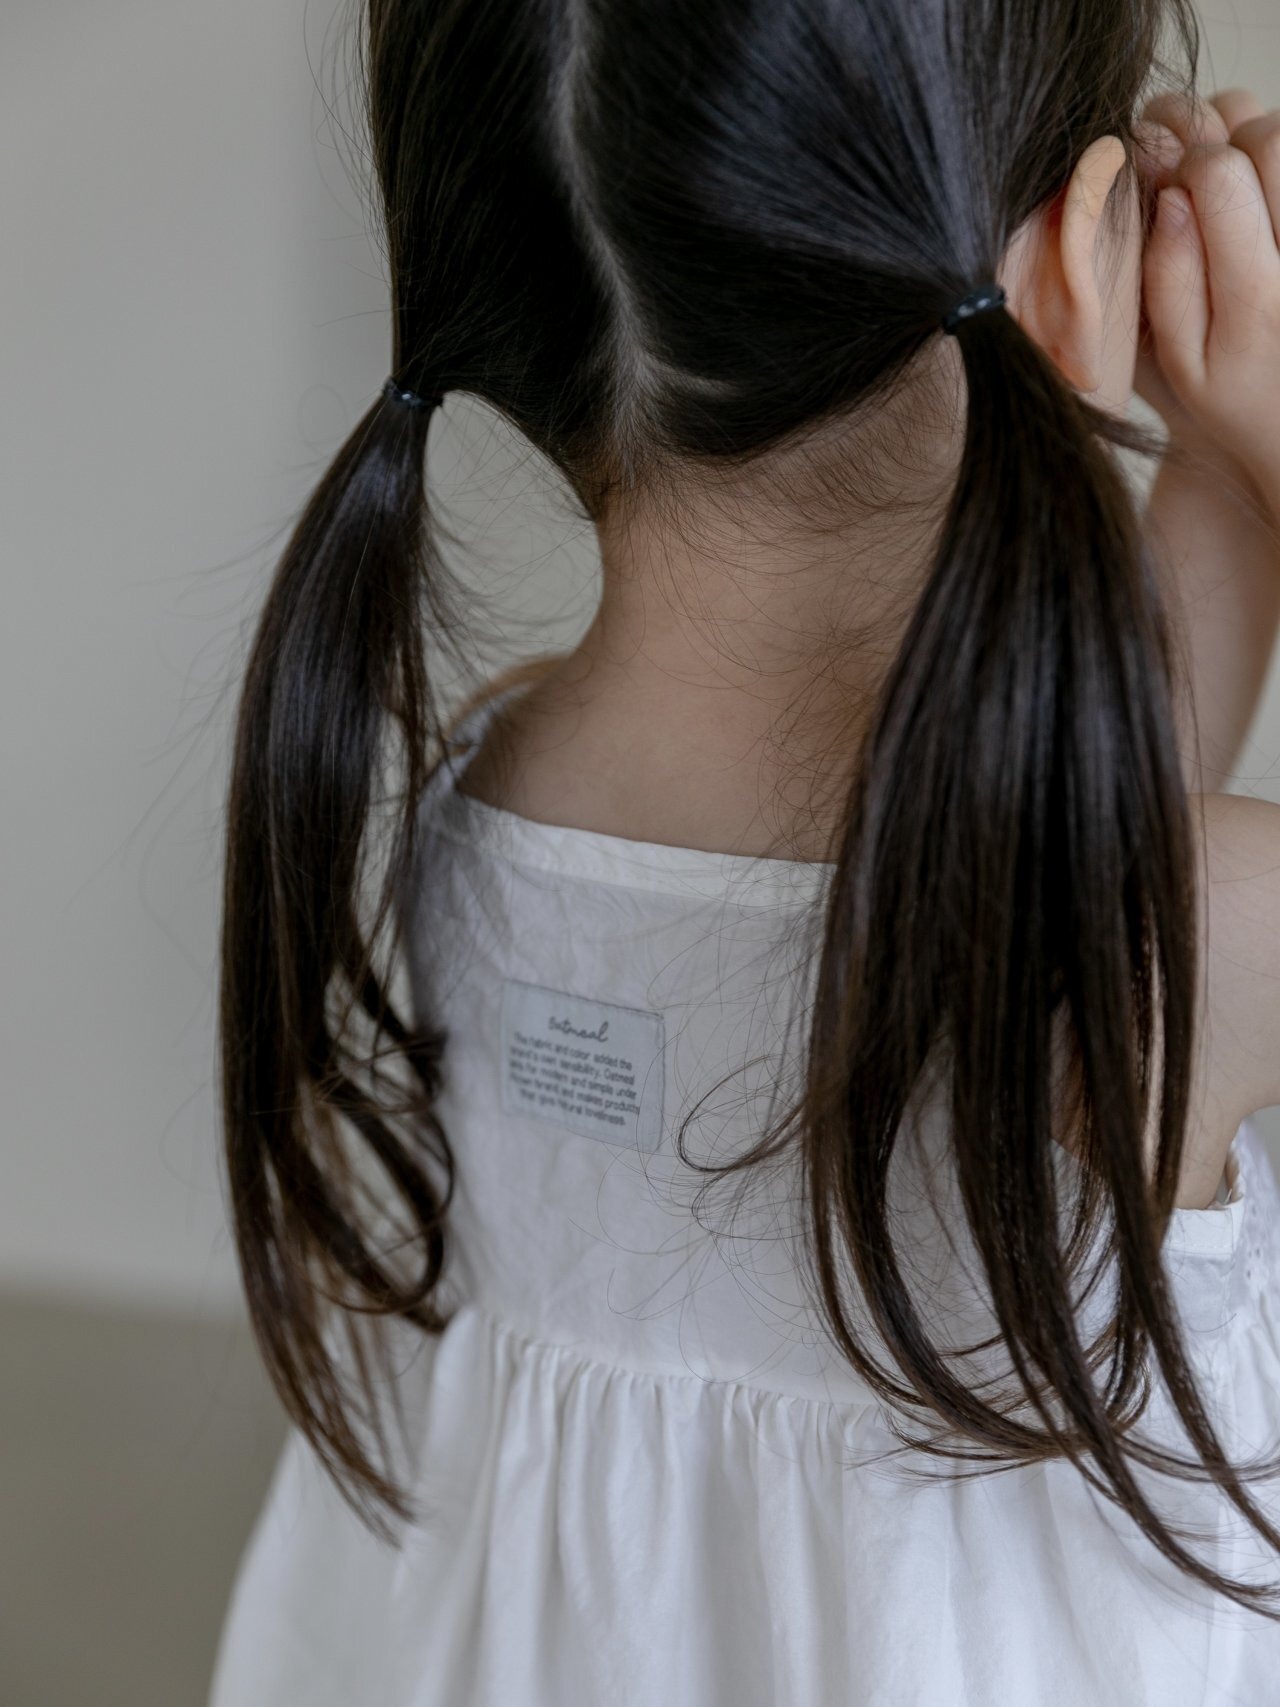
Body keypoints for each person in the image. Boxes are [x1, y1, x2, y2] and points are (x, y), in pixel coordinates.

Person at [208, 0, 1280, 1700]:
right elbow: (1101, 908)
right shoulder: (1203, 925)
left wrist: (1226, 484)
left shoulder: (486, 785)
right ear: (1078, 273)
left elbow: (1077, 844)